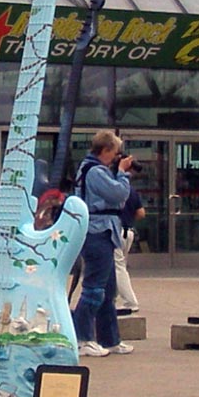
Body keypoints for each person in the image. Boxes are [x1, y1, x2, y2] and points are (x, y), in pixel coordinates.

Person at [72, 130, 134, 357]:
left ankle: (110, 340)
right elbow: (119, 194)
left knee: (108, 290)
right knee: (94, 288)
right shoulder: (96, 172)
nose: (117, 157)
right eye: (115, 153)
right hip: (97, 232)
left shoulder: (93, 169)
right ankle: (82, 338)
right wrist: (122, 174)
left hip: (104, 232)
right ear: (105, 150)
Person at [115, 180, 145, 313]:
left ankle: (130, 302)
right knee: (119, 266)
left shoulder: (111, 190)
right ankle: (112, 298)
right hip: (129, 231)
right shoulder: (131, 190)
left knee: (118, 267)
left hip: (116, 231)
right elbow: (141, 213)